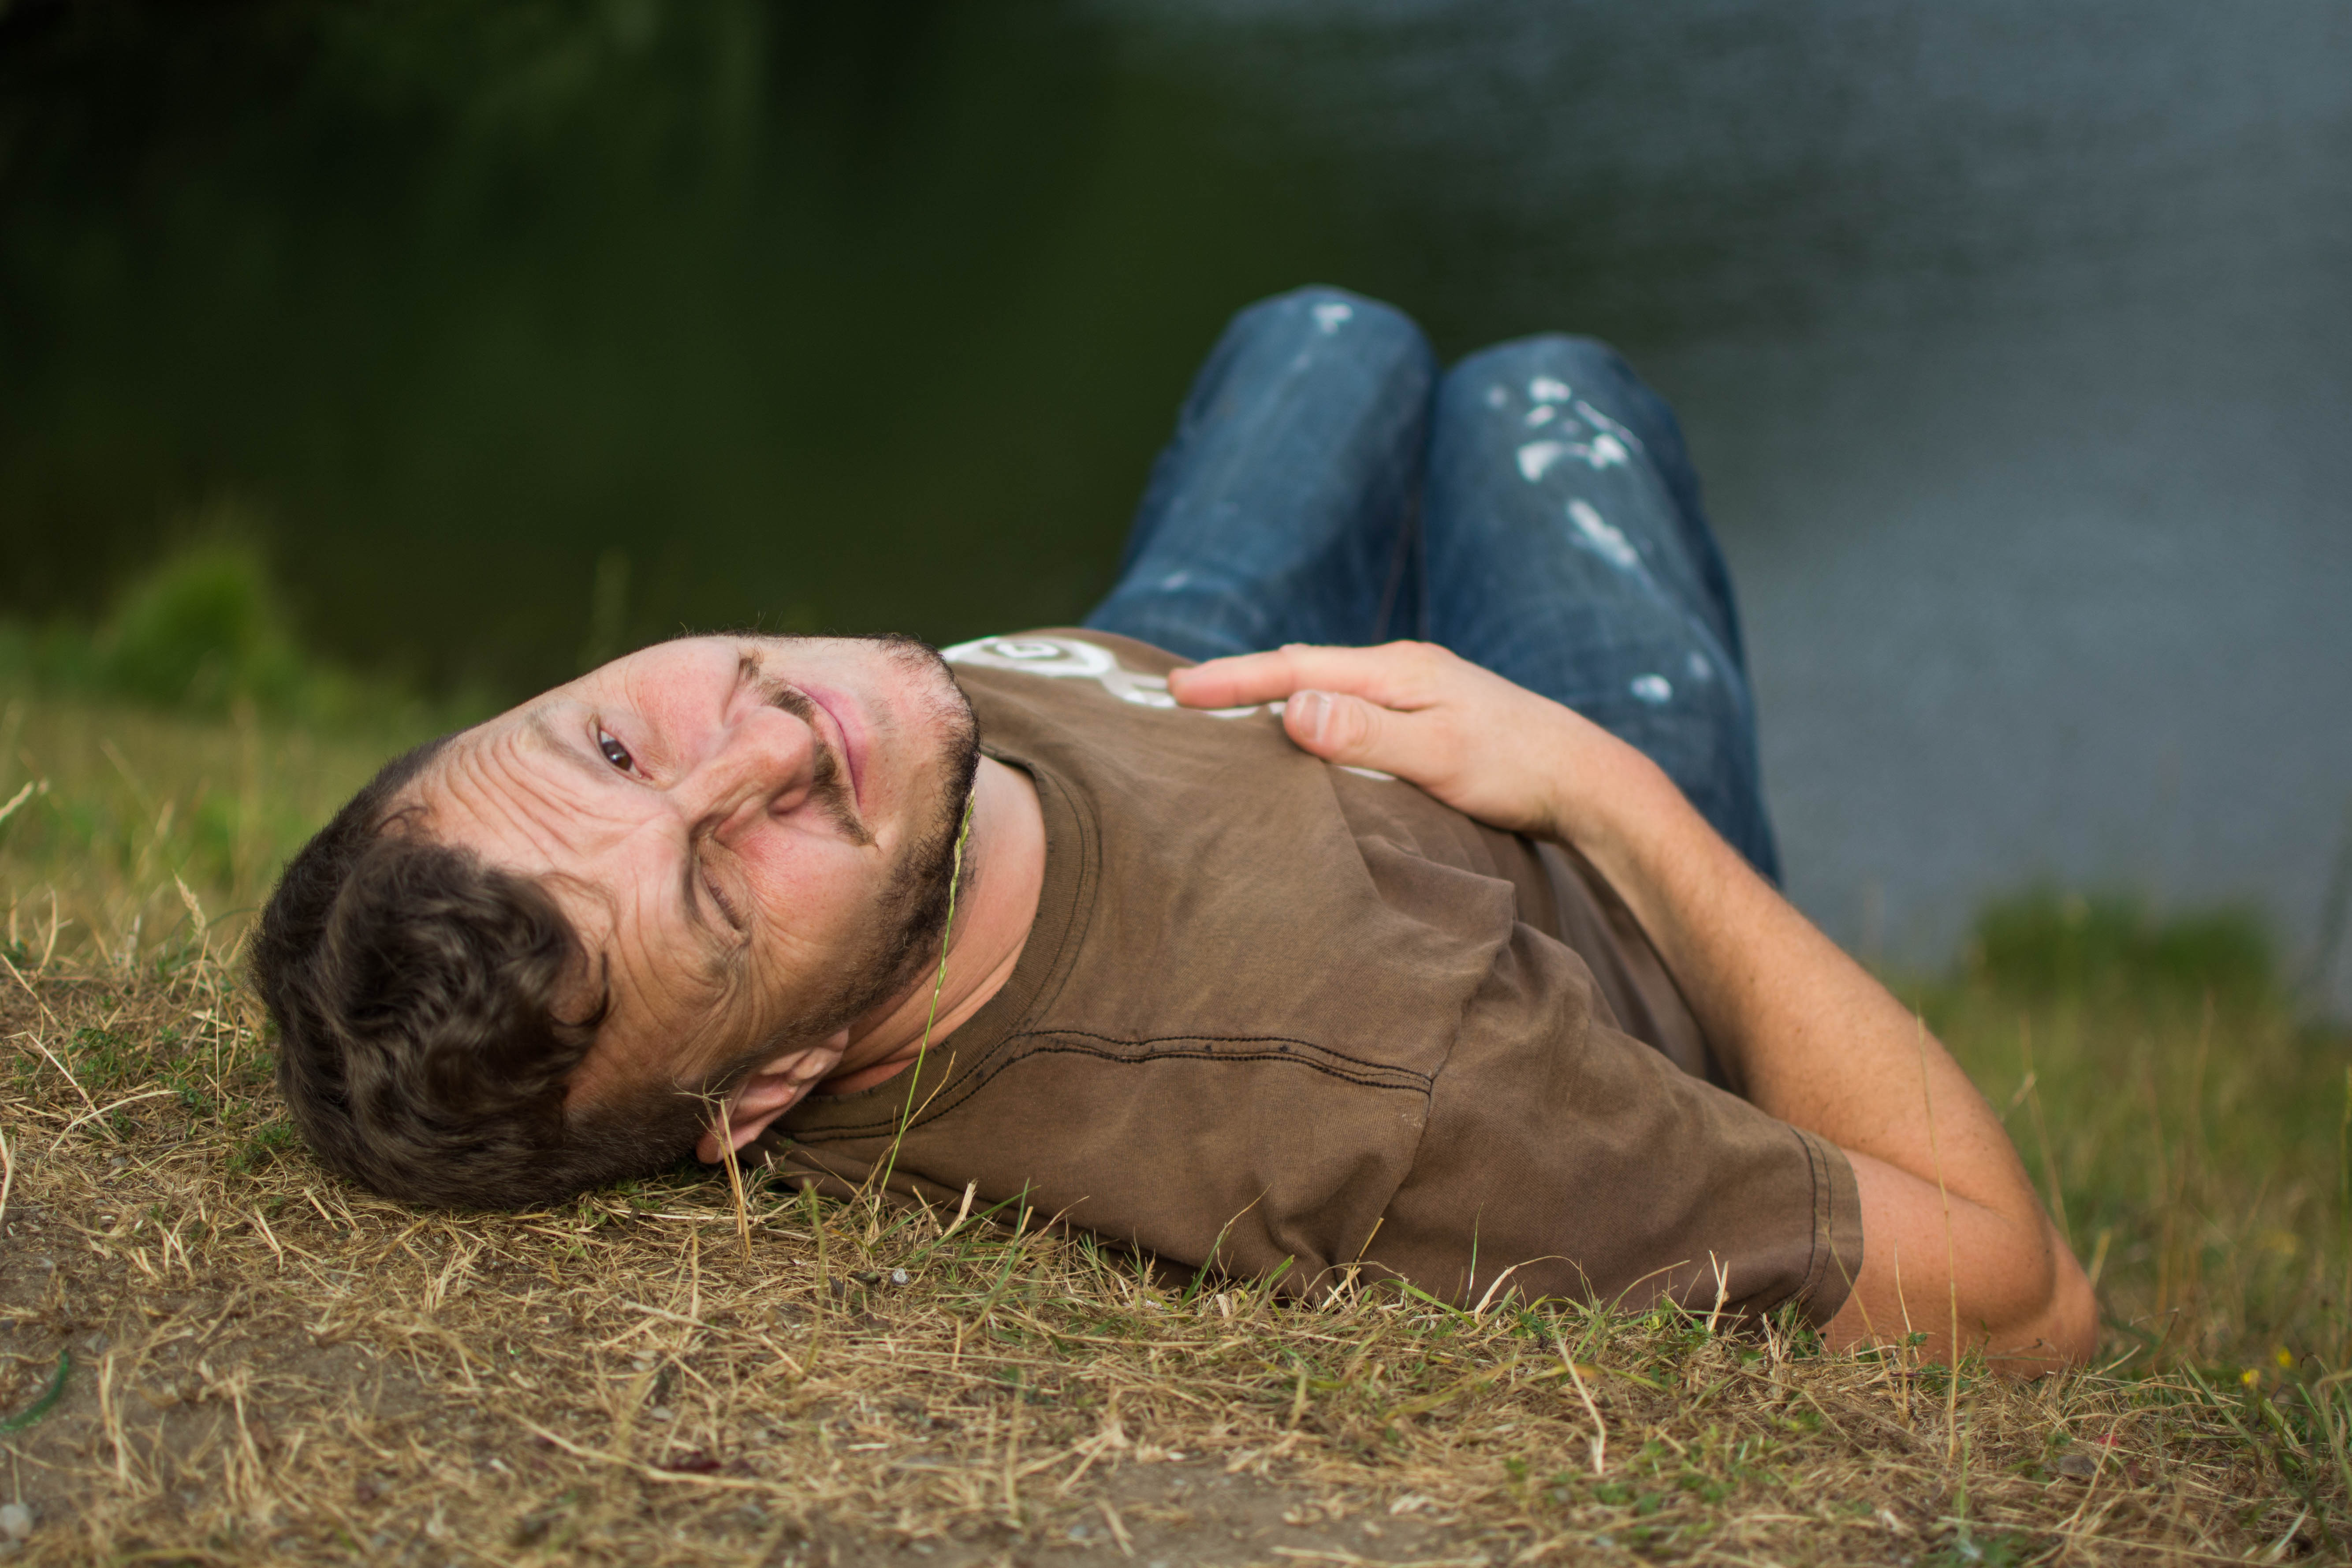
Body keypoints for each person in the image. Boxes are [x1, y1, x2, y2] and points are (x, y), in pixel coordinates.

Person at [251, 287, 2096, 1371]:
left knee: (1327, 335)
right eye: (719, 889)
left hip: (1160, 687)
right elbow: (2023, 1301)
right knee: (1542, 399)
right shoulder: (1382, 1076)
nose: (764, 748)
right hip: (1540, 845)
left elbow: (794, 759)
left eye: (613, 739)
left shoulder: (881, 761)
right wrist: (1599, 786)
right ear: (768, 1086)